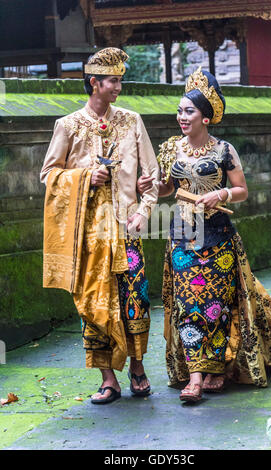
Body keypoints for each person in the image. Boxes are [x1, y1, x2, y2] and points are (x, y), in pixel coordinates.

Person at [138, 66, 271, 403]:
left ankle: (216, 370)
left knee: (216, 306)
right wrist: (151, 185)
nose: (181, 117)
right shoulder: (170, 148)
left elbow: (241, 189)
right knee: (187, 305)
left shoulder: (224, 150)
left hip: (218, 236)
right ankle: (195, 378)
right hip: (182, 234)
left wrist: (221, 195)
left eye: (189, 111)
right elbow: (167, 188)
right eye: (180, 110)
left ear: (206, 118)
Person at [40, 48, 159, 404]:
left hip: (126, 229)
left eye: (120, 80)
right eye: (113, 81)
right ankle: (108, 379)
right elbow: (47, 175)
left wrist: (144, 211)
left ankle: (137, 366)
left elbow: (151, 175)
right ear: (94, 83)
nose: (119, 87)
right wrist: (85, 177)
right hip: (88, 235)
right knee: (93, 304)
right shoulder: (68, 126)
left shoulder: (132, 121)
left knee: (135, 299)